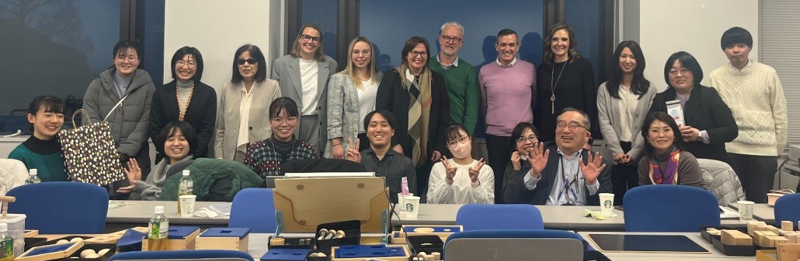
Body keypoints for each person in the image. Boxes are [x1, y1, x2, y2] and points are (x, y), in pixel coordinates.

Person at [709, 27, 787, 203]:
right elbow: (715, 115)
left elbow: (780, 112)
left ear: (750, 48)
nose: (736, 50)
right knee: (729, 204)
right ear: (724, 51)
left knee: (759, 203)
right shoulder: (716, 76)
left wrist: (779, 147)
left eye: (741, 45)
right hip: (730, 149)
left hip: (764, 151)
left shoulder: (768, 73)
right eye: (730, 46)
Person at [376, 36, 450, 201]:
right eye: (414, 52)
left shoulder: (436, 80)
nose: (419, 57)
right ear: (406, 54)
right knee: (399, 194)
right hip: (398, 148)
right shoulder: (392, 77)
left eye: (423, 53)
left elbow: (444, 118)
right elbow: (382, 113)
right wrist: (394, 143)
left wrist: (439, 147)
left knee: (421, 194)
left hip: (427, 150)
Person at [83, 40, 155, 198]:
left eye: (131, 57)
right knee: (100, 203)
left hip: (134, 159)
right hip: (99, 157)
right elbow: (89, 117)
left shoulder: (148, 87)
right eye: (121, 57)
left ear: (139, 60)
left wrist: (124, 151)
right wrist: (106, 149)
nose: (126, 61)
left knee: (132, 205)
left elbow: (146, 123)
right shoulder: (97, 85)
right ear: (113, 59)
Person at [502, 108, 612, 206]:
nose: (565, 130)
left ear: (587, 135)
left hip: (583, 221)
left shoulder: (598, 164)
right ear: (555, 130)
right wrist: (533, 174)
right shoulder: (539, 156)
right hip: (547, 221)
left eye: (573, 125)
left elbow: (606, 206)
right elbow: (512, 200)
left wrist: (592, 184)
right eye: (561, 125)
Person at [479, 28, 536, 203]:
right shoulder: (484, 71)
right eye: (503, 44)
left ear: (517, 47)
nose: (507, 48)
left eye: (512, 45)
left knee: (524, 177)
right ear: (496, 46)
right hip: (495, 136)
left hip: (523, 138)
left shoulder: (529, 69)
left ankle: (522, 217)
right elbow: (484, 102)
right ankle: (498, 218)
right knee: (498, 178)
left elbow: (535, 101)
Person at [649, 51, 738, 163]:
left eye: (684, 70)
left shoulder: (709, 96)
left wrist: (699, 135)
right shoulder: (660, 99)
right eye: (673, 71)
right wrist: (670, 134)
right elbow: (648, 130)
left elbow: (731, 130)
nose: (679, 75)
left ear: (695, 72)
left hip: (706, 161)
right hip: (670, 163)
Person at [596, 40, 656, 205]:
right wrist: (617, 151)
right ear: (617, 59)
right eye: (623, 56)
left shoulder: (649, 89)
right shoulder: (605, 89)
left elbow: (648, 124)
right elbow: (604, 121)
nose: (628, 61)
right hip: (612, 152)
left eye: (632, 57)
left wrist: (634, 153)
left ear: (639, 61)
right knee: (614, 199)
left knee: (638, 201)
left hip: (640, 151)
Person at [271, 23, 338, 156]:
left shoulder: (330, 64)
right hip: (290, 122)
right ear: (299, 39)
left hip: (317, 124)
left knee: (313, 164)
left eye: (315, 39)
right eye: (306, 37)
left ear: (319, 43)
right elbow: (275, 99)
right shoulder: (281, 64)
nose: (310, 42)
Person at [214, 44, 282, 162]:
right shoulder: (228, 88)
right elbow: (221, 128)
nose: (246, 65)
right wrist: (219, 156)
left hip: (263, 152)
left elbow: (278, 124)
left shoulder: (272, 87)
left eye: (251, 61)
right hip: (233, 154)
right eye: (241, 62)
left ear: (259, 63)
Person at [150, 46, 216, 161]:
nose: (185, 67)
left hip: (197, 159)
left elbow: (207, 130)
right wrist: (169, 153)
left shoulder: (208, 93)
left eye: (190, 63)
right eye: (181, 62)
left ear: (198, 67)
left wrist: (190, 154)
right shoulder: (161, 92)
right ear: (174, 65)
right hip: (166, 159)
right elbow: (155, 128)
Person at [535, 23, 597, 143]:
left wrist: (589, 136)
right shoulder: (543, 69)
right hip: (547, 133)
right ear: (550, 43)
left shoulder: (583, 66)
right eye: (555, 39)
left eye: (564, 39)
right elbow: (539, 106)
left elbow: (590, 104)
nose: (559, 44)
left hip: (574, 132)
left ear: (570, 43)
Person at [326, 36, 383, 159]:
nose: (360, 56)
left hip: (373, 139)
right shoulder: (339, 79)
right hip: (348, 141)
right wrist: (336, 144)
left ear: (371, 55)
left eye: (365, 52)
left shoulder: (379, 78)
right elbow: (333, 115)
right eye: (356, 52)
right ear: (350, 55)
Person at [345, 110, 416, 203]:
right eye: (373, 125)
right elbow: (349, 197)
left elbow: (411, 202)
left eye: (384, 125)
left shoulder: (405, 163)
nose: (378, 129)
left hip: (395, 216)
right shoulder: (358, 159)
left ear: (392, 132)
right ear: (366, 132)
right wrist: (353, 166)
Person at [119, 121, 196, 200]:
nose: (176, 143)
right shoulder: (157, 169)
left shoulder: (195, 169)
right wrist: (136, 184)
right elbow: (138, 203)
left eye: (182, 139)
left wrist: (141, 187)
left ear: (190, 143)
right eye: (171, 139)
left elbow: (171, 199)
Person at [243, 97, 318, 178]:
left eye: (290, 119)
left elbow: (314, 184)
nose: (284, 124)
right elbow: (247, 183)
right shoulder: (256, 150)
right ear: (270, 122)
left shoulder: (307, 150)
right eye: (278, 119)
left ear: (297, 120)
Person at [429, 21, 479, 136]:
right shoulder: (427, 66)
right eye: (447, 37)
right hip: (430, 133)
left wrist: (466, 134)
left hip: (458, 133)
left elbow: (472, 109)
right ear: (440, 39)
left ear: (461, 43)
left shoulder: (468, 70)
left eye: (455, 39)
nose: (450, 42)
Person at [427, 124, 494, 204]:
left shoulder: (485, 170)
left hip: (472, 215)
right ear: (448, 147)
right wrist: (448, 180)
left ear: (470, 139)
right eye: (453, 143)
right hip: (445, 215)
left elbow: (488, 205)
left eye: (462, 139)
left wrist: (475, 182)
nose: (459, 145)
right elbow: (432, 202)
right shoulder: (438, 168)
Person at [8, 96, 69, 182]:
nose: (55, 120)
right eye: (48, 115)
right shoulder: (19, 155)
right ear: (31, 118)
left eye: (60, 116)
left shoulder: (69, 150)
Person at [638, 112, 704, 188]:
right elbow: (644, 195)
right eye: (655, 131)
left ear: (674, 135)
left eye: (666, 130)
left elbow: (689, 196)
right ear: (647, 137)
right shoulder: (644, 162)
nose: (661, 135)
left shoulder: (687, 160)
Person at [500, 122, 540, 205]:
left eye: (532, 137)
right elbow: (509, 200)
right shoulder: (511, 167)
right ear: (515, 146)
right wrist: (516, 171)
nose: (528, 142)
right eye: (522, 139)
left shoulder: (547, 160)